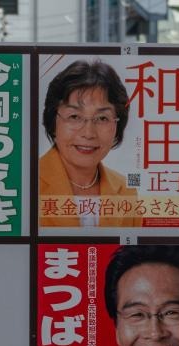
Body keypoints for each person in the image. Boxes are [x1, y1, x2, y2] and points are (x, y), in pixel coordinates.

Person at [39, 60, 140, 228]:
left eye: (102, 118)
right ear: (53, 121)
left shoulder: (126, 191)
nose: (88, 133)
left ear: (117, 125)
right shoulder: (25, 184)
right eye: (74, 117)